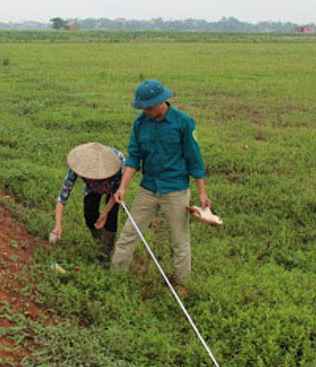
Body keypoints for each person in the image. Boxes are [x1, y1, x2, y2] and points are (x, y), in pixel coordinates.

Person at [111, 79, 212, 296]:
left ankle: (182, 283)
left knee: (180, 240)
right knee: (129, 233)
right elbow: (134, 157)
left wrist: (202, 191)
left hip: (175, 190)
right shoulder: (140, 123)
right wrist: (123, 188)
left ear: (161, 102)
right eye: (142, 108)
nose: (145, 111)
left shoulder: (184, 123)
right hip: (148, 188)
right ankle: (115, 277)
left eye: (148, 107)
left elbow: (194, 159)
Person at [51, 142, 124, 268]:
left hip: (112, 189)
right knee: (89, 213)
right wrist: (57, 225)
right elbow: (62, 196)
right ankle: (99, 242)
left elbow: (117, 192)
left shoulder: (117, 163)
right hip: (92, 189)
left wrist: (105, 213)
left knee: (111, 218)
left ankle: (106, 253)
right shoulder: (78, 166)